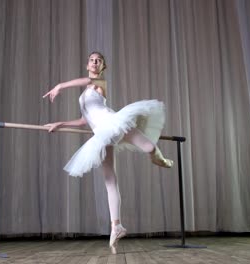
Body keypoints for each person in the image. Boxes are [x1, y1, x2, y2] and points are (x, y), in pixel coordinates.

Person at [43, 52, 173, 253]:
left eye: (99, 60)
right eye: (92, 60)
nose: (95, 62)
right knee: (110, 181)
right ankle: (116, 226)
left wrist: (60, 85)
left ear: (102, 66)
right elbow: (84, 120)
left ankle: (160, 158)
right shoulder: (85, 93)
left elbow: (87, 80)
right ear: (87, 64)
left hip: (113, 124)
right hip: (102, 134)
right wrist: (60, 123)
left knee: (149, 147)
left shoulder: (99, 82)